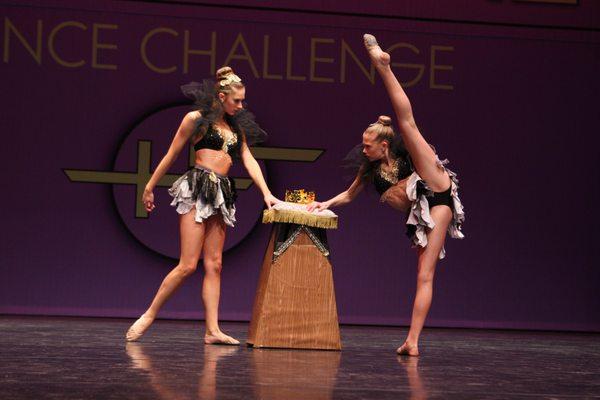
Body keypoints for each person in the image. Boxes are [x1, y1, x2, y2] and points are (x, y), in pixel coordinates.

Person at [308, 35, 464, 356]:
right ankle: (412, 342)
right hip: (425, 211)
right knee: (424, 274)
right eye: (363, 144)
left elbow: (404, 127)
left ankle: (383, 67)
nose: (363, 149)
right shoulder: (369, 169)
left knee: (409, 125)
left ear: (383, 145)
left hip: (436, 187)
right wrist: (325, 203)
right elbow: (350, 195)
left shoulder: (402, 152)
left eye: (368, 145)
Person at [126, 66, 280, 345]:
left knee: (215, 264)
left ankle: (212, 330)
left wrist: (267, 193)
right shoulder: (196, 120)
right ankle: (148, 315)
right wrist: (149, 186)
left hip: (221, 192)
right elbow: (171, 153)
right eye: (237, 101)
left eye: (243, 101)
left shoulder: (236, 128)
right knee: (188, 265)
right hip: (198, 187)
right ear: (221, 96)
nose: (241, 106)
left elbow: (248, 159)